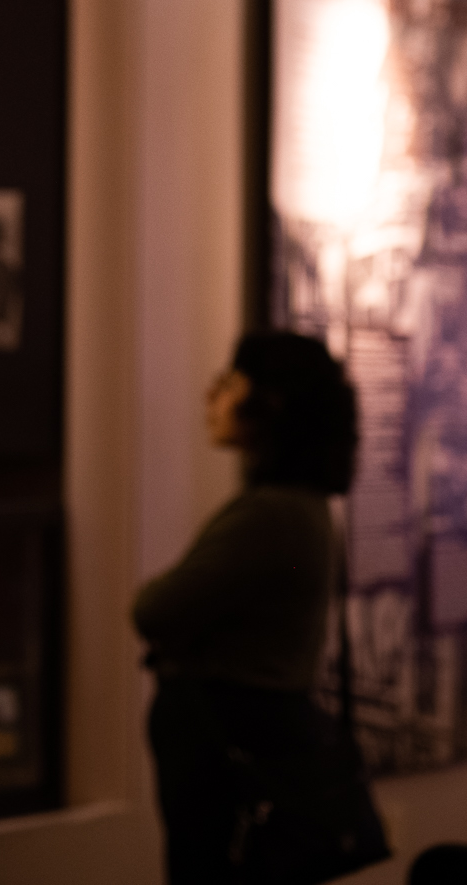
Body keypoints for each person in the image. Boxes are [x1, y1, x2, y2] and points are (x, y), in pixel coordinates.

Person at [133, 331, 371, 884]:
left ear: (272, 402)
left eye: (231, 381)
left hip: (227, 745)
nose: (211, 395)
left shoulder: (271, 516)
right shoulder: (301, 509)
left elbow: (155, 610)